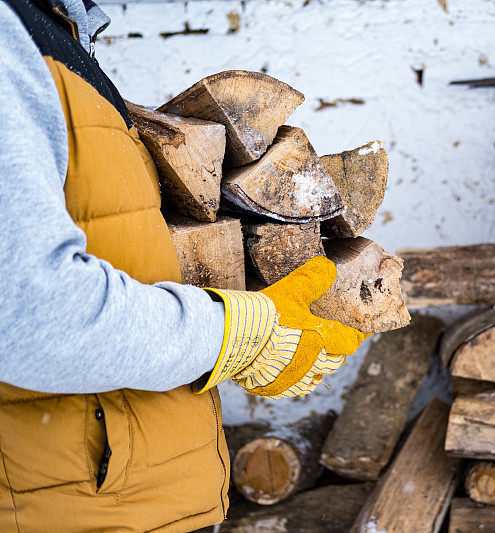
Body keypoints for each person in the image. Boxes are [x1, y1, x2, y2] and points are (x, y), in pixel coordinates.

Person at [0, 0, 367, 530]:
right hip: (66, 509)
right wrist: (236, 333)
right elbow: (32, 318)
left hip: (126, 500)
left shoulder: (53, 31)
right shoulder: (9, 40)